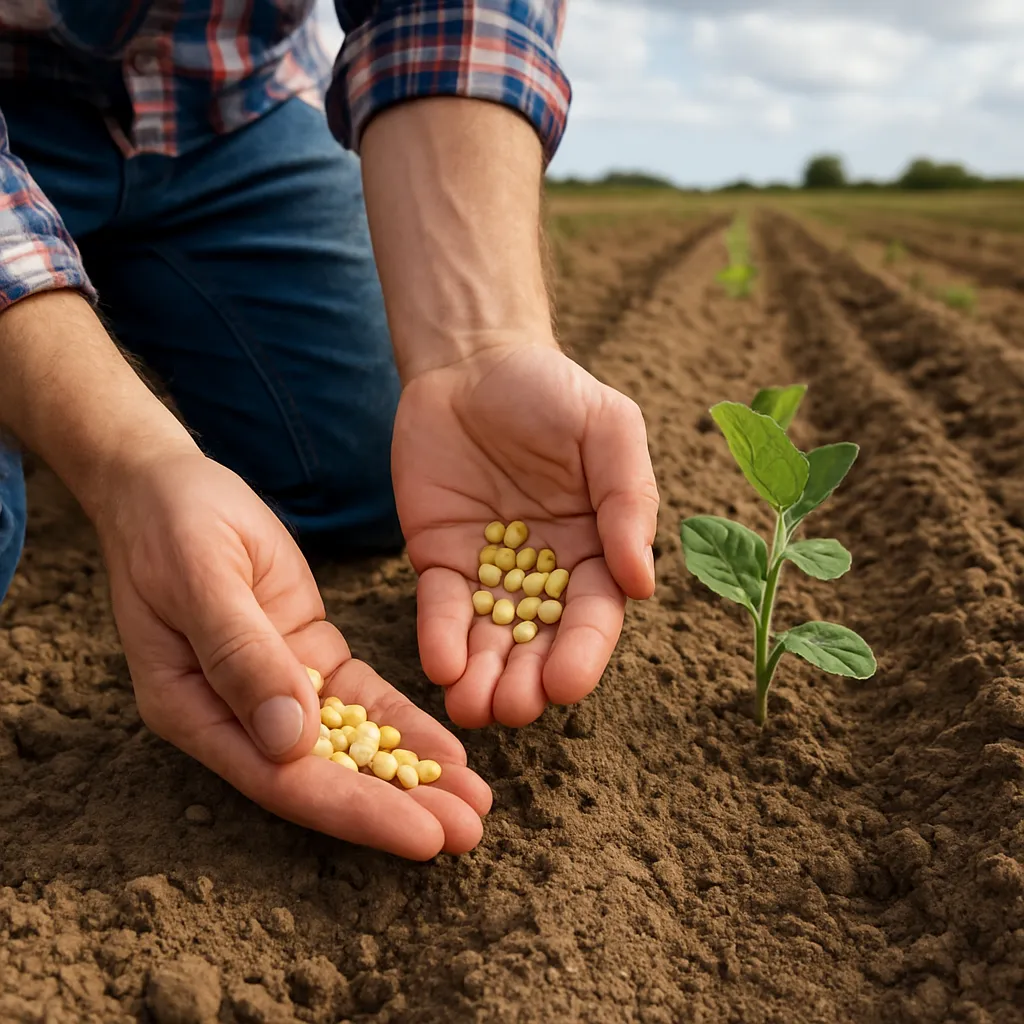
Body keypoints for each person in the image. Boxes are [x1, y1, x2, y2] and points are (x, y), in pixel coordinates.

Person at [0, 2, 659, 860]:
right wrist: (129, 462)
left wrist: (480, 344)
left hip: (229, 105)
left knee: (369, 464)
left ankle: (127, 297)